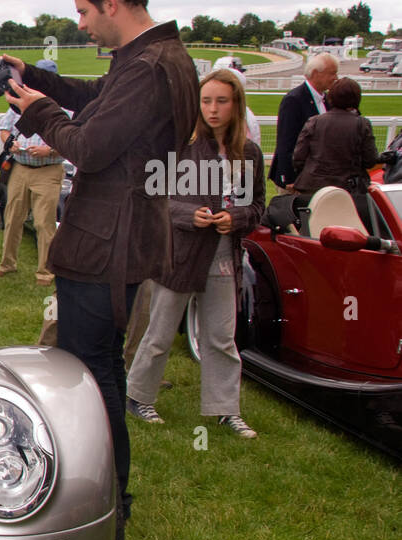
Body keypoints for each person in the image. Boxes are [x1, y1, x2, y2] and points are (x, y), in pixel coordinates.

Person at [0, 0, 200, 525]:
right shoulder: (157, 57)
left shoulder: (149, 66)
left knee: (90, 372)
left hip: (107, 241)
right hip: (122, 237)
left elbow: (88, 145)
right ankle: (107, 491)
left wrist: (38, 112)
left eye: (84, 10)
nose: (80, 23)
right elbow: (98, 98)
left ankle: (107, 495)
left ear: (112, 3)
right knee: (99, 364)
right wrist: (33, 77)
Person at [125, 68, 266, 438]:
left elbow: (256, 209)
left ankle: (225, 408)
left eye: (221, 101)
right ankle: (138, 396)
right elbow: (153, 198)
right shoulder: (179, 148)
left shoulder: (248, 153)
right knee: (160, 331)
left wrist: (234, 218)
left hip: (222, 257)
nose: (213, 109)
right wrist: (191, 215)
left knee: (221, 336)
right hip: (180, 255)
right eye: (206, 101)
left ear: (236, 105)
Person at [0, 59, 67, 284]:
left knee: (43, 223)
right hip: (20, 167)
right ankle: (7, 264)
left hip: (48, 170)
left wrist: (49, 150)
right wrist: (10, 144)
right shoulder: (19, 102)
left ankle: (45, 272)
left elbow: (70, 140)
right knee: (13, 217)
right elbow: (5, 128)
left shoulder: (64, 108)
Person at [291, 77, 380, 227]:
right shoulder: (362, 124)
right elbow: (370, 159)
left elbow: (298, 157)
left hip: (312, 189)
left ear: (331, 97)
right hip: (347, 192)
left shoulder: (314, 121)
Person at [270, 52, 338, 190]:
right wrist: (288, 177)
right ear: (315, 73)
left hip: (316, 176)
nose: (336, 78)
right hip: (296, 178)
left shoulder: (328, 99)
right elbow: (286, 140)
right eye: (332, 73)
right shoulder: (294, 99)